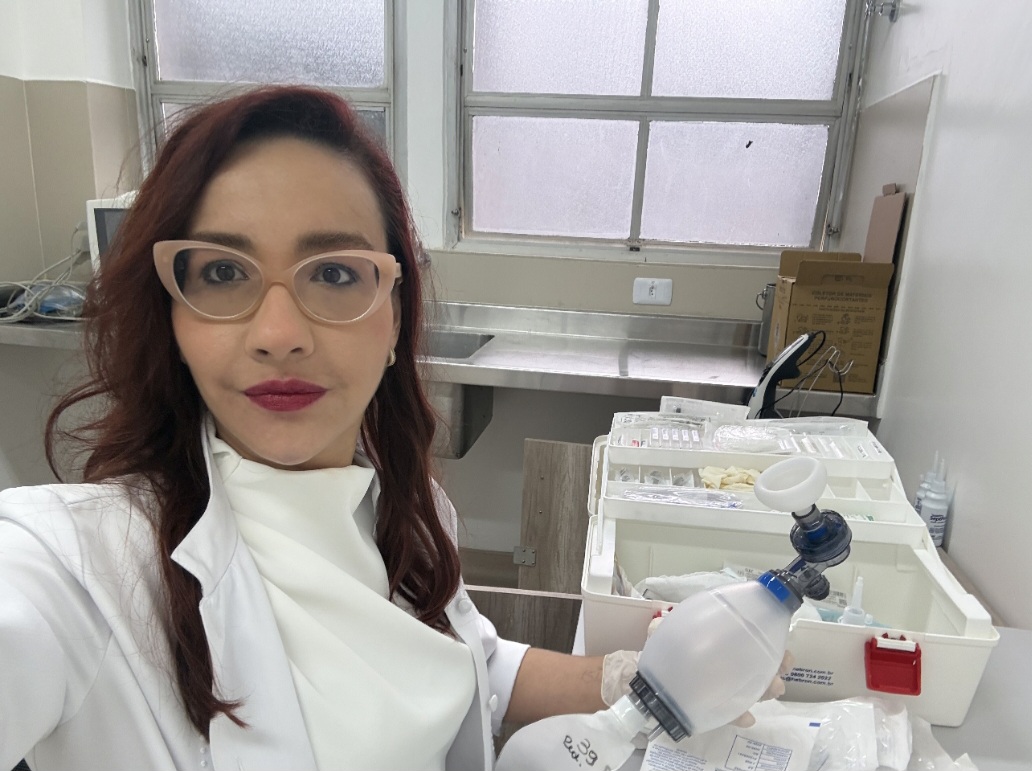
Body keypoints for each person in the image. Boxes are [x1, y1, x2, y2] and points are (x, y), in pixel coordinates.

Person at [0, 85, 786, 771]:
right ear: (172, 316)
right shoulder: (75, 566)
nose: (279, 333)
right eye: (223, 272)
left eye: (335, 273)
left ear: (394, 318)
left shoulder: (407, 512)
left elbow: (461, 665)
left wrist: (634, 680)